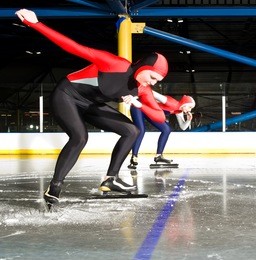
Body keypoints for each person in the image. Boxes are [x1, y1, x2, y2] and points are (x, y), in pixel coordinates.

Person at [15, 9, 169, 205]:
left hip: (90, 104)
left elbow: (160, 117)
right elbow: (73, 47)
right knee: (80, 137)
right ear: (144, 68)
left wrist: (139, 104)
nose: (153, 83)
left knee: (132, 130)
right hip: (66, 95)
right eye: (153, 77)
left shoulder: (142, 90)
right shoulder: (115, 64)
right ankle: (54, 187)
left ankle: (110, 179)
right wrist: (35, 23)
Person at [128, 94, 195, 168]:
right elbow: (151, 92)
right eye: (190, 107)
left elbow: (183, 127)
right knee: (141, 130)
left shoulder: (179, 111)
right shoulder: (170, 102)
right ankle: (134, 157)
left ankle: (159, 156)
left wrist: (188, 120)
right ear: (184, 104)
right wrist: (134, 99)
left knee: (167, 129)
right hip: (139, 107)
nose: (190, 110)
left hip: (151, 113)